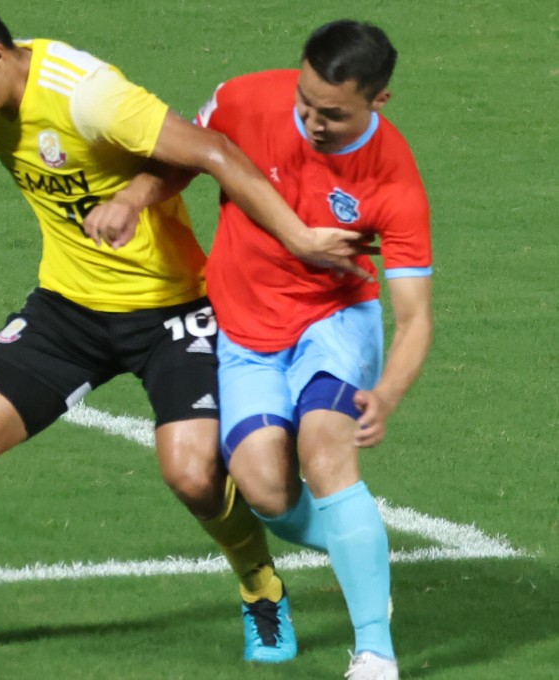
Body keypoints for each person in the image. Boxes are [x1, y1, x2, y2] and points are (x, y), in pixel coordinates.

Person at [0, 0, 369, 665]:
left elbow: (211, 148)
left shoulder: (89, 97)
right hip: (69, 307)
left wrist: (285, 234)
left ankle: (259, 586)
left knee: (192, 475)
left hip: (173, 309)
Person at [88, 20, 433, 680]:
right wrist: (134, 197)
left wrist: (386, 393)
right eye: (305, 100)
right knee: (268, 492)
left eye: (331, 112)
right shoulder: (246, 98)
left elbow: (415, 317)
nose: (310, 119)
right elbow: (187, 156)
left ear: (377, 102)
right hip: (244, 334)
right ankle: (364, 559)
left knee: (326, 449)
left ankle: (374, 650)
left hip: (333, 322)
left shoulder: (393, 181)